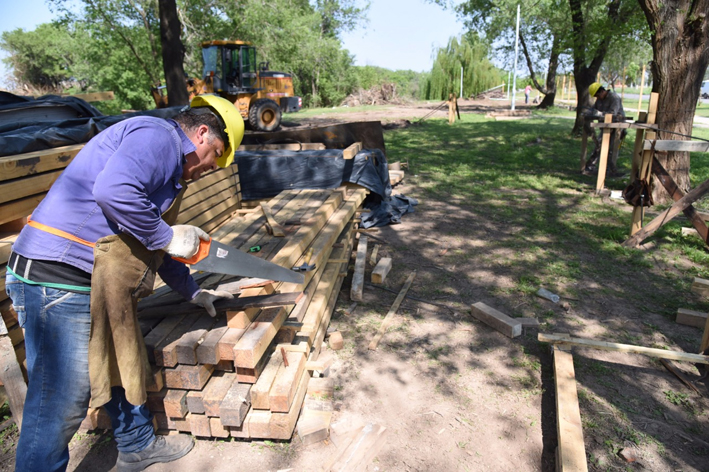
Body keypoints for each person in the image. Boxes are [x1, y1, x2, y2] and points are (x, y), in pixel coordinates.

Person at [5, 94, 245, 472]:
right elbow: (113, 191)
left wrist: (193, 291)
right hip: (57, 278)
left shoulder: (168, 168)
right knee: (60, 400)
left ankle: (136, 445)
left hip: (90, 279)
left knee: (120, 355)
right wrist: (164, 236)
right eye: (216, 154)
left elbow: (154, 243)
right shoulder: (159, 138)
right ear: (201, 133)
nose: (213, 167)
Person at [583, 82, 626, 176]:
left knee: (611, 149)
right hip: (606, 126)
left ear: (602, 91)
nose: (597, 98)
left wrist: (599, 114)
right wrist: (588, 112)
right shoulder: (599, 99)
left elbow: (613, 114)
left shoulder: (614, 98)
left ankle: (610, 170)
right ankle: (592, 167)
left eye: (597, 95)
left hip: (617, 126)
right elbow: (594, 109)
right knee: (599, 145)